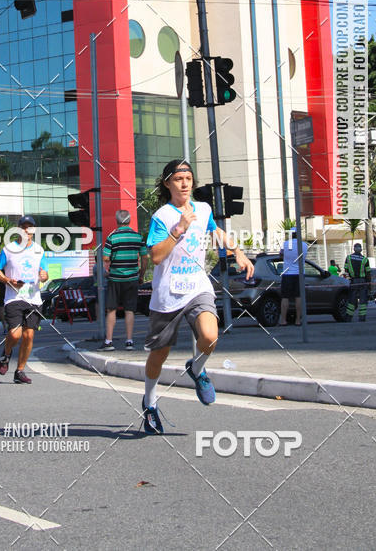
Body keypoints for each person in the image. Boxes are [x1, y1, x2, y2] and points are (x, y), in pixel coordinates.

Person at [141, 159, 254, 434]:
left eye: (188, 178)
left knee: (210, 336)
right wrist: (178, 230)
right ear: (167, 183)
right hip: (167, 293)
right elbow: (155, 256)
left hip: (197, 286)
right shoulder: (162, 217)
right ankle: (150, 403)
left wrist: (237, 251)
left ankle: (197, 368)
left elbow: (215, 232)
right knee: (159, 355)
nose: (184, 183)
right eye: (178, 179)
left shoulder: (203, 209)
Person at [0, 216, 48, 384]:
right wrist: (7, 280)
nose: (27, 230)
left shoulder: (39, 250)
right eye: (23, 227)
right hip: (14, 297)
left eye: (30, 227)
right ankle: (6, 354)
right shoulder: (9, 249)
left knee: (29, 335)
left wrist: (44, 276)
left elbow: (44, 272)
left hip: (34, 298)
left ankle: (20, 370)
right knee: (15, 334)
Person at [100, 210, 148, 352]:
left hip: (115, 278)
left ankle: (109, 341)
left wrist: (108, 269)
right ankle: (129, 341)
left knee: (111, 310)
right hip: (132, 278)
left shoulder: (112, 237)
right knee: (129, 310)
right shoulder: (138, 237)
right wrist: (141, 275)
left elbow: (105, 258)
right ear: (129, 220)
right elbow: (145, 258)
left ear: (117, 221)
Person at [278, 230, 308, 326]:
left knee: (285, 297)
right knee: (298, 297)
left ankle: (283, 320)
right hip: (299, 273)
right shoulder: (304, 245)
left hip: (287, 274)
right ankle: (298, 320)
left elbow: (281, 255)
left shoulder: (285, 244)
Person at [344, 242, 371, 321]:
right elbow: (368, 272)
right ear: (361, 249)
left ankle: (349, 317)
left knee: (351, 299)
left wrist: (351, 276)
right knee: (363, 300)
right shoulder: (365, 259)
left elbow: (346, 269)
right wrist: (369, 284)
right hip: (363, 281)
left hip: (353, 281)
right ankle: (362, 317)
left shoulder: (348, 258)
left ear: (354, 249)